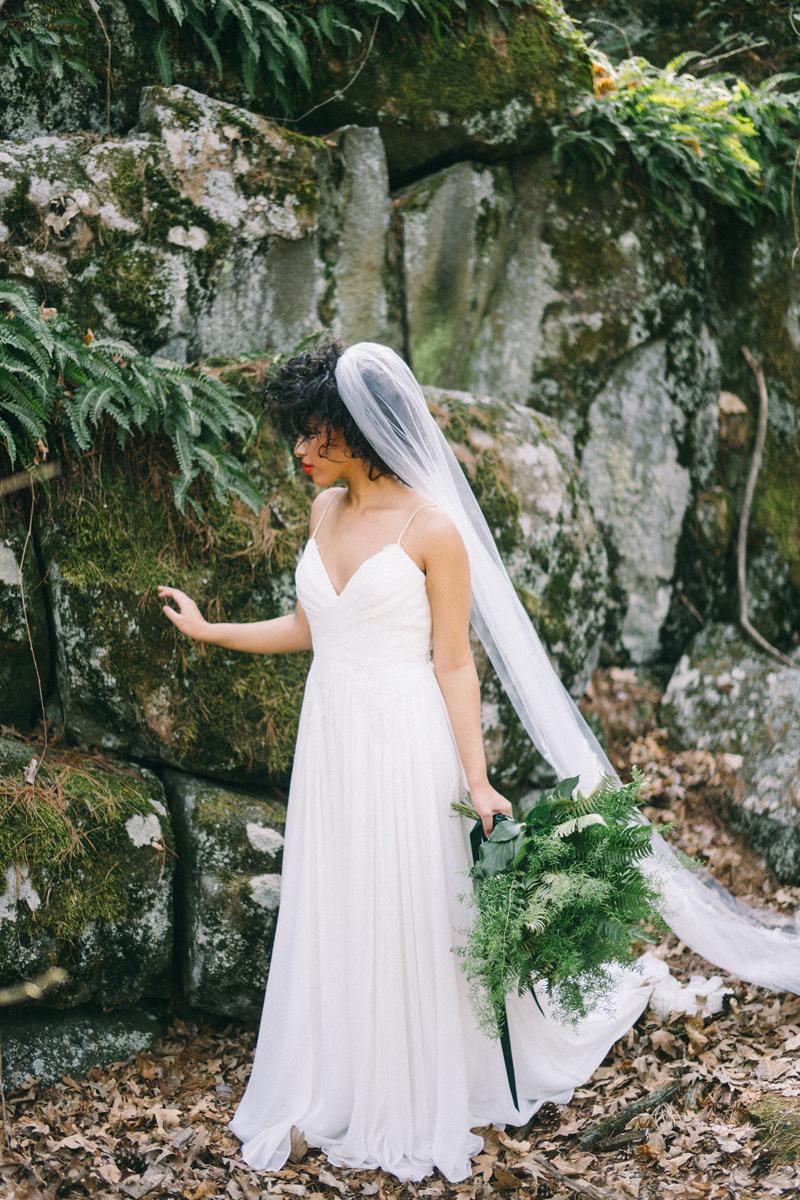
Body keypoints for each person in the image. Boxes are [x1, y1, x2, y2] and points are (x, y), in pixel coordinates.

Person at [159, 341, 800, 1183]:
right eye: (299, 436)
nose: (299, 452)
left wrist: (477, 777)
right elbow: (315, 627)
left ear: (358, 432)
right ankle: (338, 1069)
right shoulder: (323, 516)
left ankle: (414, 1077)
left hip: (402, 736)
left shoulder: (433, 529)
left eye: (314, 435)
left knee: (410, 898)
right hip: (332, 739)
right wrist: (212, 631)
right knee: (342, 893)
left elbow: (454, 661)